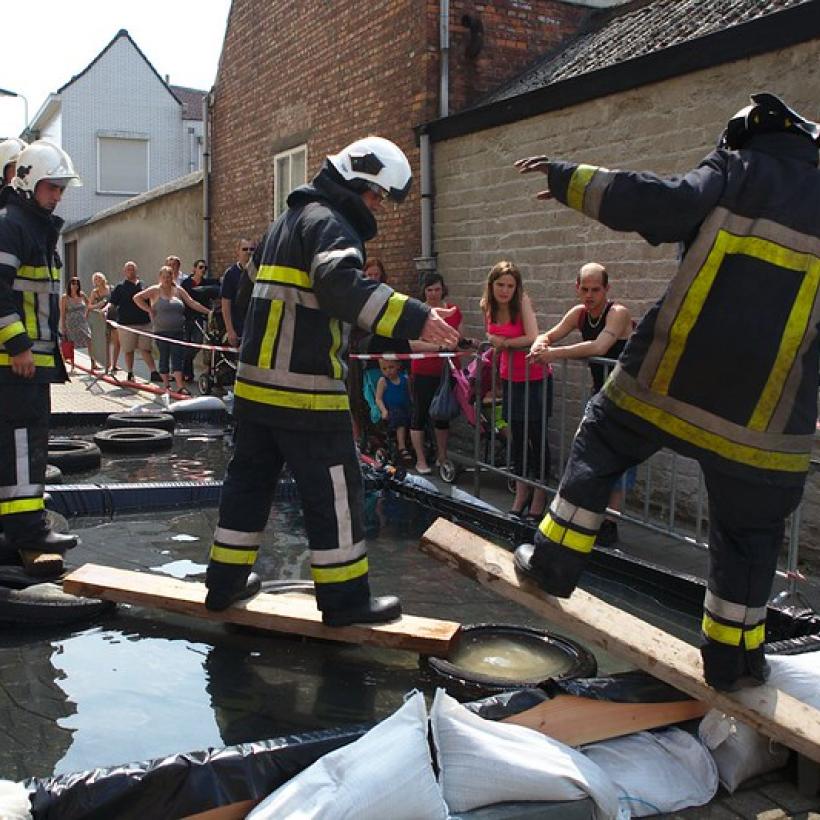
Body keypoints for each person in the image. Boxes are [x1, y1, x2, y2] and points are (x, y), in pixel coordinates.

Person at [513, 93, 820, 692]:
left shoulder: (736, 168)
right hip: (768, 418)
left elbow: (665, 202)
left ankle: (552, 563)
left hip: (672, 380)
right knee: (750, 536)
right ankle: (733, 663)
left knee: (603, 440)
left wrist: (570, 179)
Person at [203, 136, 459, 625]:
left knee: (248, 485)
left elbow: (258, 288)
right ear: (358, 183)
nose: (377, 207)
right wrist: (417, 318)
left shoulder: (284, 222)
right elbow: (342, 288)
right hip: (307, 393)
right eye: (377, 196)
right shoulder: (332, 225)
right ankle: (345, 602)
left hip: (254, 390)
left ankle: (223, 583)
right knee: (336, 494)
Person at [0, 140, 82, 565]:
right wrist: (18, 346)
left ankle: (18, 524)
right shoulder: (13, 225)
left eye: (62, 189)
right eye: (52, 187)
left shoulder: (32, 226)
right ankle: (27, 528)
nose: (58, 196)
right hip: (17, 363)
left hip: (30, 363)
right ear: (28, 183)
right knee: (22, 444)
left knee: (23, 443)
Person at [529, 262, 635, 544]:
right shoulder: (578, 314)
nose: (589, 295)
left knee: (618, 459)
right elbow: (549, 334)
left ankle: (610, 523)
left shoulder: (618, 313)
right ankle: (587, 518)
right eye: (584, 289)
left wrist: (554, 354)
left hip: (627, 398)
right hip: (601, 393)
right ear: (577, 288)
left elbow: (600, 346)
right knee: (588, 454)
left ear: (606, 289)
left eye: (595, 290)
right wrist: (539, 344)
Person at [481, 260, 551, 522]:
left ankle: (540, 496)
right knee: (517, 438)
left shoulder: (522, 302)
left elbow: (533, 336)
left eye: (510, 285)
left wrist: (504, 342)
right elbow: (491, 336)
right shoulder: (488, 306)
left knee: (537, 437)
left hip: (535, 378)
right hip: (510, 377)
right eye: (500, 284)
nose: (505, 290)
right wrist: (494, 341)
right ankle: (521, 494)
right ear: (492, 285)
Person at [408, 272, 462, 474]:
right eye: (429, 290)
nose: (433, 293)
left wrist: (460, 343)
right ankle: (420, 460)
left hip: (447, 370)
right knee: (420, 413)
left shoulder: (454, 311)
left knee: (442, 414)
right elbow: (412, 344)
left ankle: (442, 456)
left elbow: (458, 338)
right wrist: (438, 347)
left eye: (437, 289)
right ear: (423, 291)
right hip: (423, 370)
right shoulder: (416, 312)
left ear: (443, 289)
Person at [133, 265, 211, 394]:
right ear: (160, 277)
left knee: (178, 358)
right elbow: (137, 298)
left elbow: (191, 302)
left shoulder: (178, 290)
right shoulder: (155, 290)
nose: (166, 279)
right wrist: (149, 309)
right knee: (164, 357)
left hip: (178, 331)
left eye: (168, 277)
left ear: (172, 277)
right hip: (161, 331)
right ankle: (166, 385)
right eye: (164, 277)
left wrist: (208, 312)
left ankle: (180, 386)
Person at [110, 261, 161, 383]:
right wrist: (105, 313)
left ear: (136, 270)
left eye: (132, 269)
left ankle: (154, 372)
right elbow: (112, 304)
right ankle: (130, 372)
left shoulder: (143, 285)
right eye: (128, 269)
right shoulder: (120, 287)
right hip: (127, 324)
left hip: (144, 323)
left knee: (146, 349)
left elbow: (150, 301)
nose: (130, 271)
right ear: (124, 272)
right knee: (129, 350)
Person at [181, 258, 219, 381]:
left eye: (205, 268)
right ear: (194, 269)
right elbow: (187, 301)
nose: (203, 270)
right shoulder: (186, 283)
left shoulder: (207, 283)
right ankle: (187, 373)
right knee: (186, 345)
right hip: (187, 318)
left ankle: (185, 367)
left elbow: (219, 284)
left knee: (197, 344)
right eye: (201, 267)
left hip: (200, 318)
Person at [375, 357, 412, 463]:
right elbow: (378, 399)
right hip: (391, 410)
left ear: (398, 366)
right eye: (384, 369)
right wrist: (383, 410)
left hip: (405, 408)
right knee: (399, 418)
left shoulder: (404, 378)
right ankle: (402, 447)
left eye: (391, 367)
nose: (388, 371)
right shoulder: (383, 381)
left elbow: (410, 395)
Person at [220, 239, 254, 349]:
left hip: (254, 327)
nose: (248, 252)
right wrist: (230, 330)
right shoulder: (231, 274)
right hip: (238, 327)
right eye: (245, 249)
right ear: (237, 252)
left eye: (252, 249)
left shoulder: (260, 272)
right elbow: (226, 304)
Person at [88, 271, 120, 373]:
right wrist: (99, 305)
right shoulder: (95, 292)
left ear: (103, 279)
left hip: (114, 316)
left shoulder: (111, 289)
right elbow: (89, 306)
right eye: (95, 279)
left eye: (99, 278)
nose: (98, 280)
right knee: (106, 342)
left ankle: (114, 364)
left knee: (117, 342)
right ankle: (108, 364)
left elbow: (116, 300)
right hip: (102, 319)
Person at [59, 277, 93, 372]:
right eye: (73, 284)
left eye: (77, 284)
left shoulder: (82, 295)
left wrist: (86, 314)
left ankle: (93, 362)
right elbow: (62, 313)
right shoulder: (65, 297)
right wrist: (63, 327)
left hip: (82, 323)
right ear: (69, 285)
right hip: (70, 323)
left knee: (89, 339)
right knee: (70, 344)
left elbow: (89, 305)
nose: (75, 286)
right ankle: (70, 365)